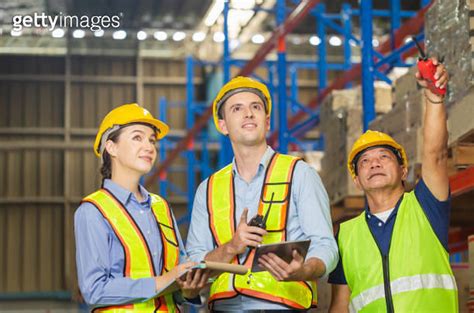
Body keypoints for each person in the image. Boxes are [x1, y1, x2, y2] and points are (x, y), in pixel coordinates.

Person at [186, 76, 338, 311]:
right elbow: (195, 263)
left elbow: (325, 244)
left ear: (267, 122)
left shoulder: (299, 174)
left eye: (255, 107)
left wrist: (305, 269)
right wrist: (231, 247)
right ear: (223, 125)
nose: (248, 113)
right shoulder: (208, 188)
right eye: (237, 108)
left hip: (284, 306)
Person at [328, 58, 458, 312]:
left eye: (384, 157)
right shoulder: (345, 237)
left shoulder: (426, 207)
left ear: (403, 170)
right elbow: (340, 305)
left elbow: (435, 154)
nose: (374, 164)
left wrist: (434, 96)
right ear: (356, 180)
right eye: (364, 161)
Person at [74, 103, 209, 312]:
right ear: (112, 147)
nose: (149, 147)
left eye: (152, 140)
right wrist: (159, 282)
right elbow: (94, 289)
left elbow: (177, 277)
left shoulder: (161, 207)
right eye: (137, 137)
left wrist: (189, 291)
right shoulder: (93, 211)